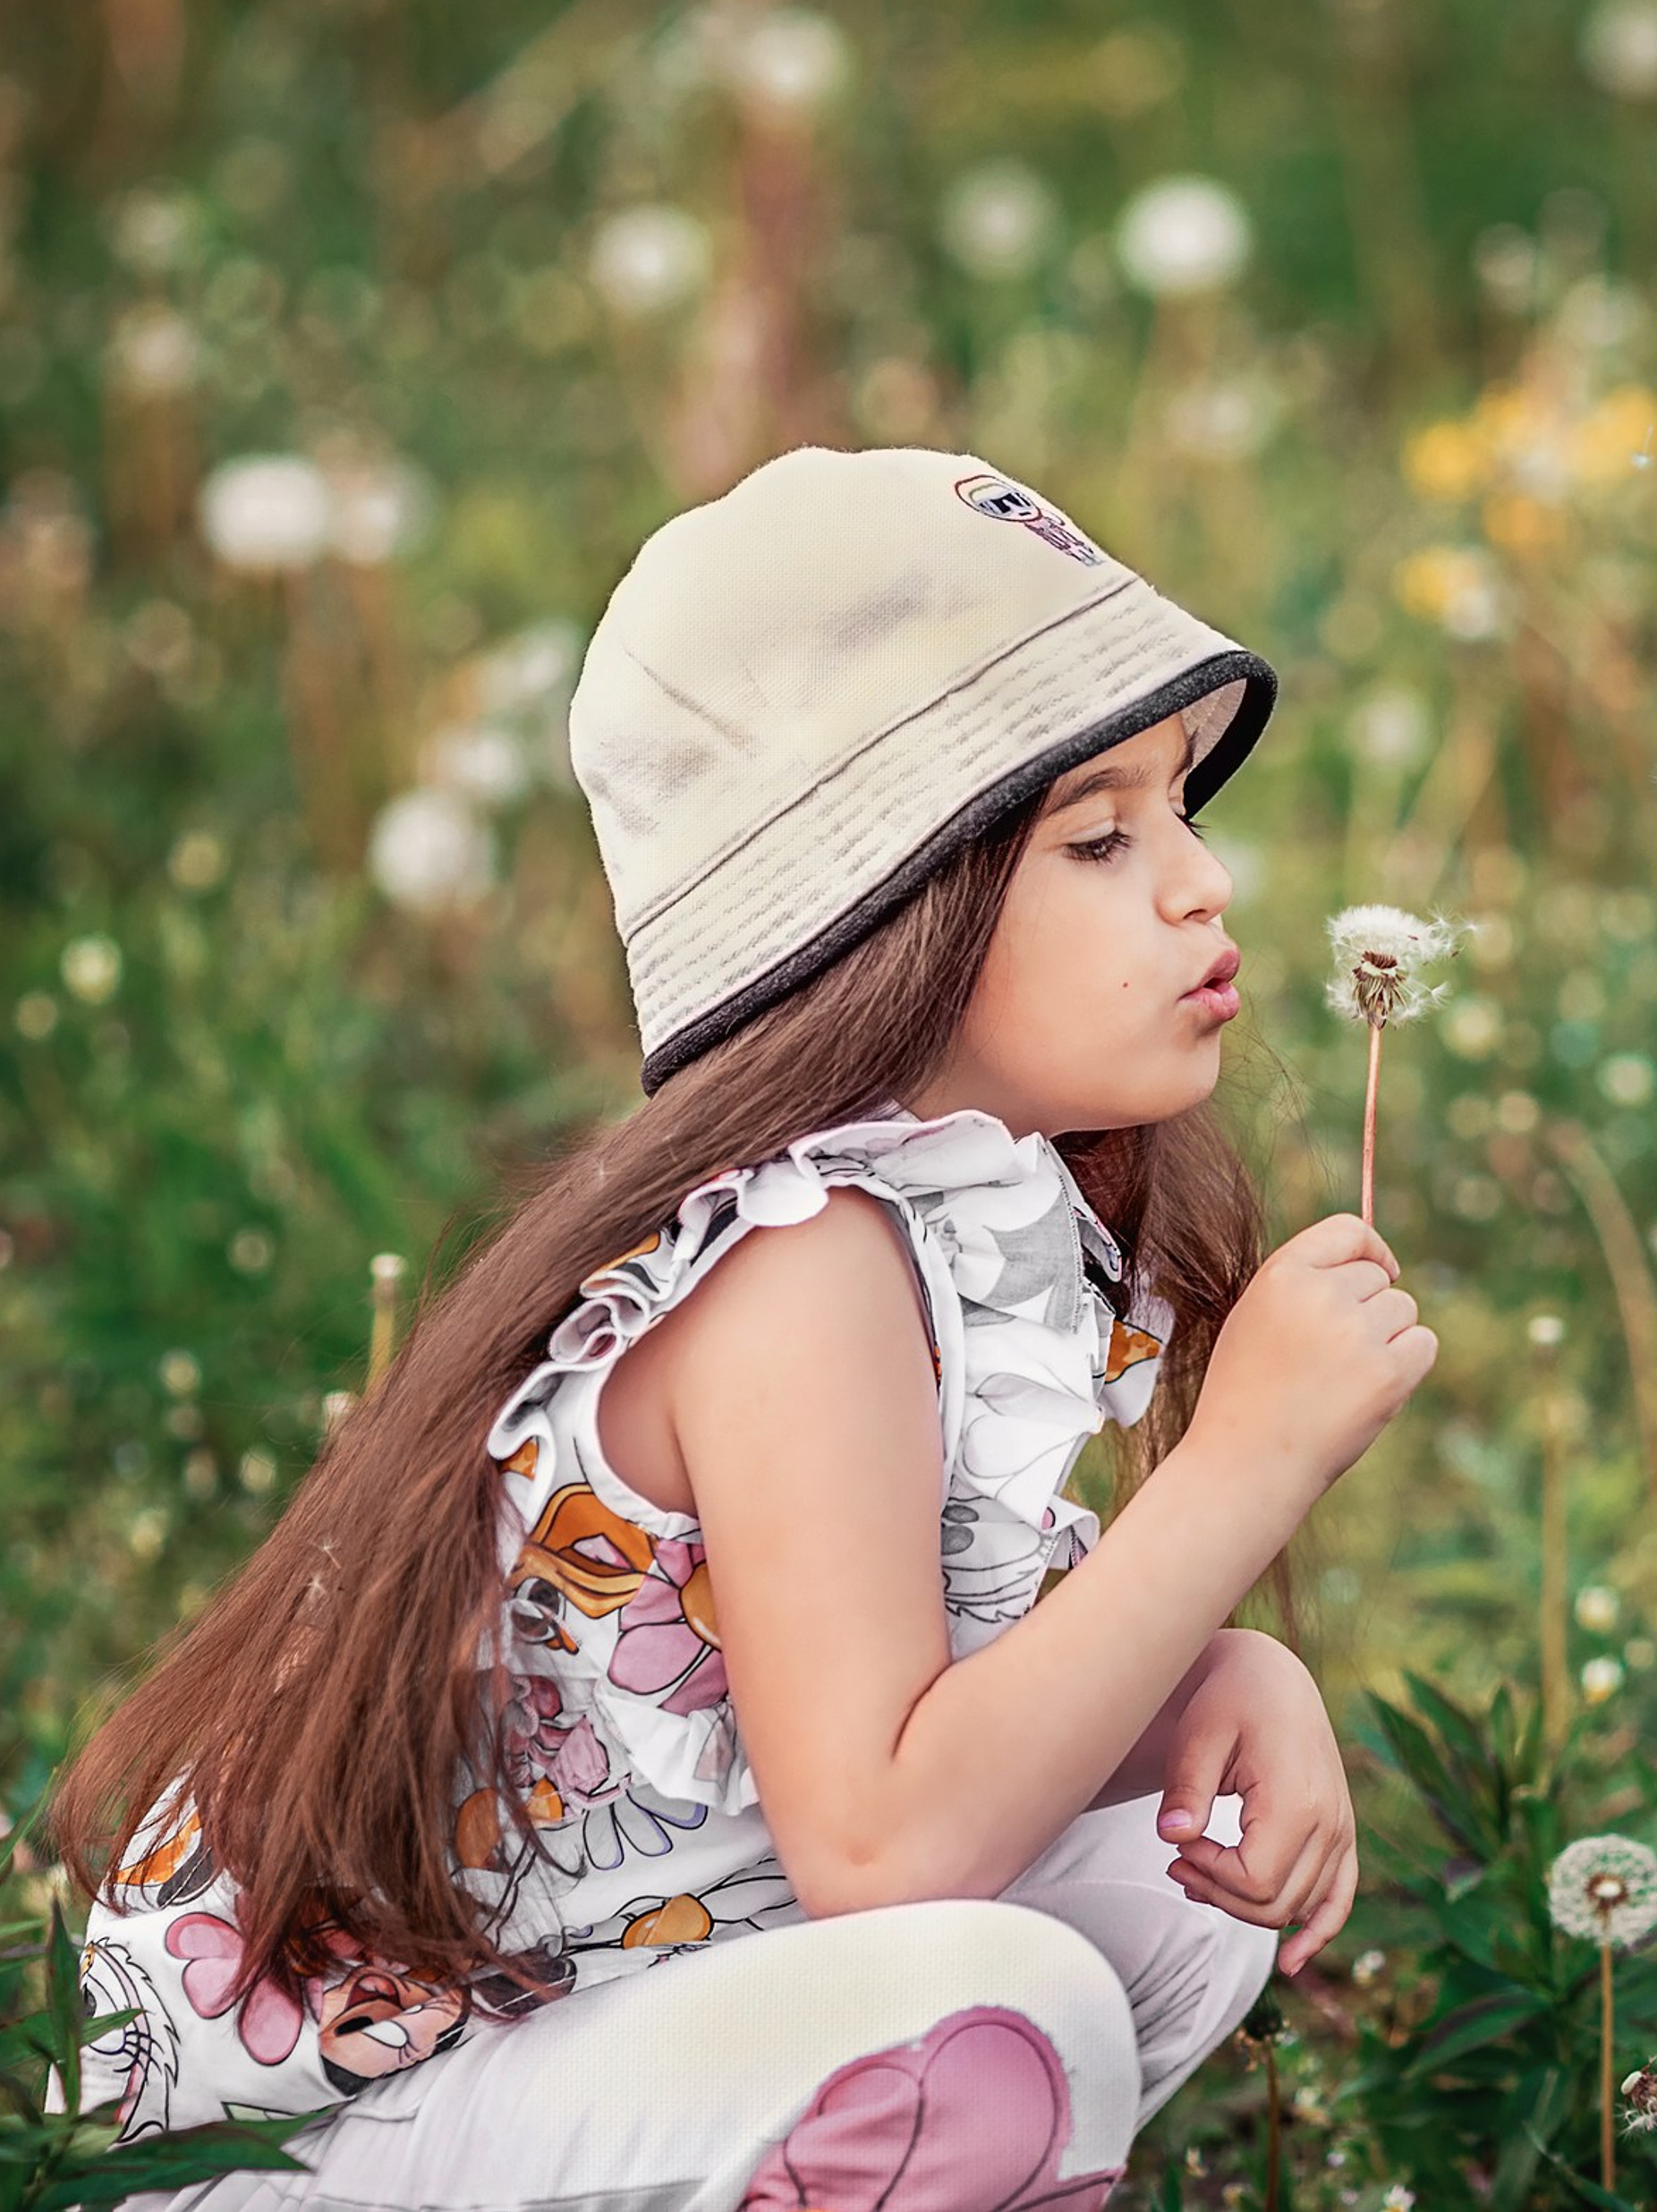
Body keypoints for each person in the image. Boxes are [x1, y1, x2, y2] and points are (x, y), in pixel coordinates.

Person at [40, 445, 1440, 2211]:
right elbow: (879, 1841)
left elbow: (872, 1722)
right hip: (312, 2143)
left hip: (592, 2019)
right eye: (1096, 834)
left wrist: (1230, 1678)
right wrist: (1247, 1458)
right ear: (877, 920)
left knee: (1169, 1889)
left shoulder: (927, 1225)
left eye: (1181, 810)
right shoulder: (797, 1262)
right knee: (997, 2015)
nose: (1196, 884)